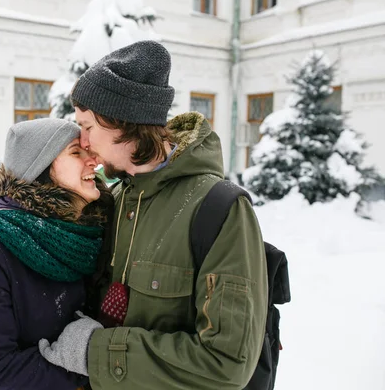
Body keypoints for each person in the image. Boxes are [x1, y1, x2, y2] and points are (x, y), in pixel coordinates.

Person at [38, 41, 269, 389]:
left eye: (88, 127)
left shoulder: (220, 210)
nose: (83, 142)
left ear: (123, 122)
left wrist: (96, 352)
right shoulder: (113, 199)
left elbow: (226, 363)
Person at [0, 118, 113, 390]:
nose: (94, 161)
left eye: (89, 151)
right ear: (41, 168)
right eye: (75, 152)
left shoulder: (98, 230)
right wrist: (88, 362)